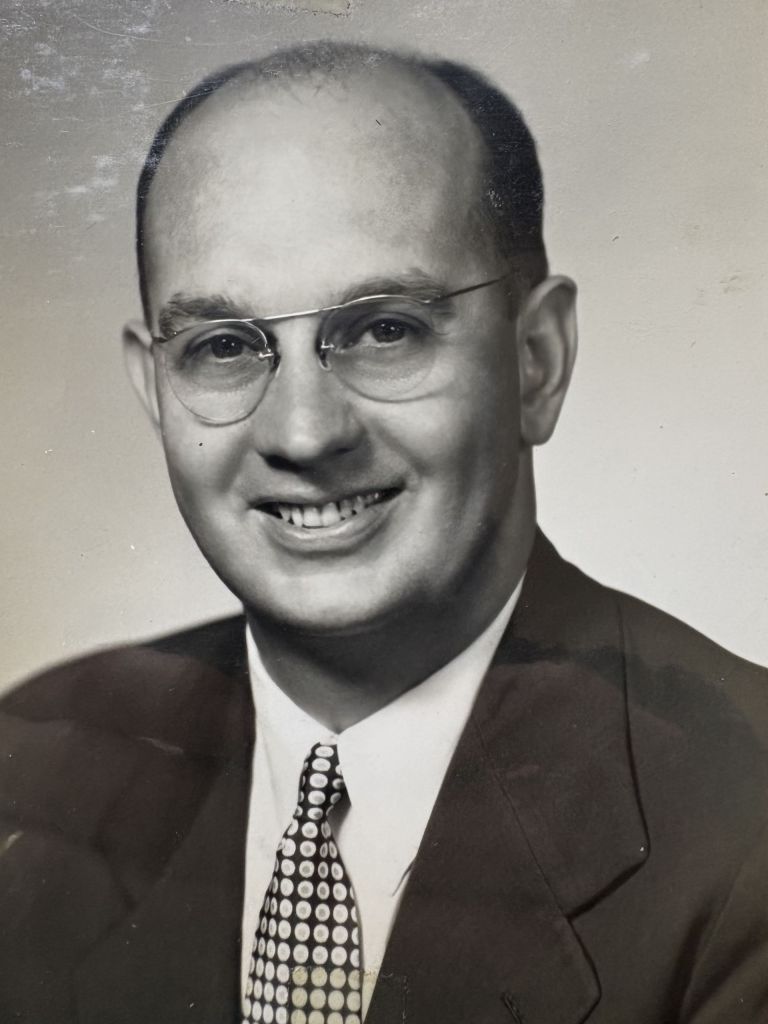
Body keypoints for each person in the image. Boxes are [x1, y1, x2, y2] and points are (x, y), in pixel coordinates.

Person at [1, 41, 767, 1024]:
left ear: (536, 360)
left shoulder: (744, 824)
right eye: (225, 346)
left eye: (385, 329)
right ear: (156, 390)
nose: (304, 433)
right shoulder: (34, 772)